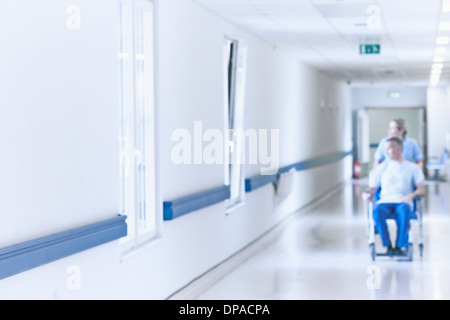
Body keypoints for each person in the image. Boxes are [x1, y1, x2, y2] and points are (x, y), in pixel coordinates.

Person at [362, 136, 425, 255]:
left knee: (404, 211)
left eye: (389, 148)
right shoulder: (381, 168)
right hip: (385, 201)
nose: (386, 152)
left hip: (403, 201)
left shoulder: (412, 168)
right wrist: (366, 193)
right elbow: (374, 187)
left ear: (398, 149)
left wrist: (411, 195)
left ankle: (400, 246)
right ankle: (389, 246)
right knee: (377, 212)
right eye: (385, 149)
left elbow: (421, 189)